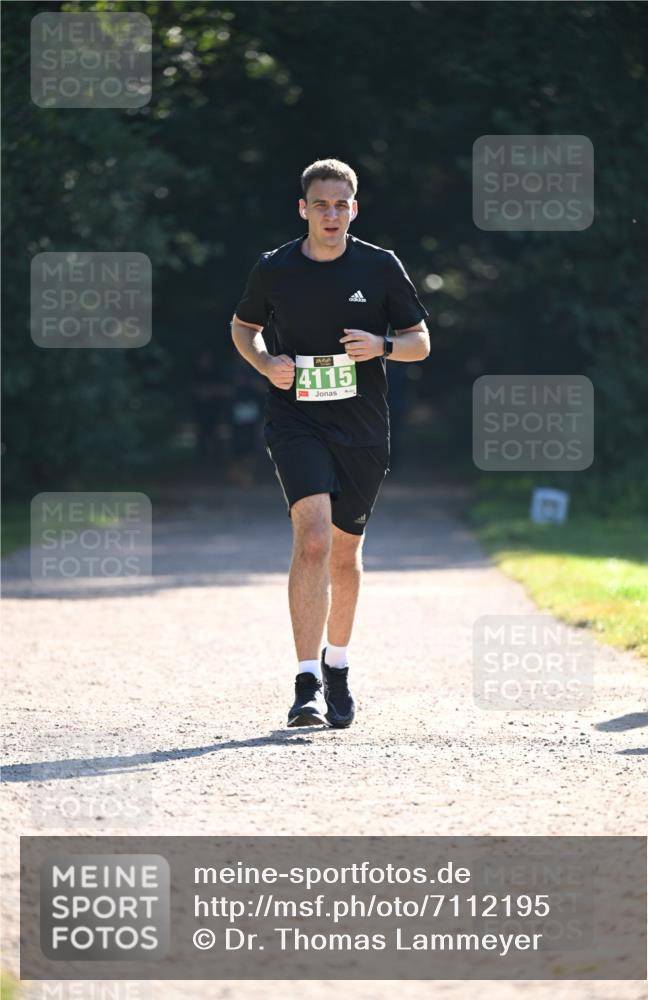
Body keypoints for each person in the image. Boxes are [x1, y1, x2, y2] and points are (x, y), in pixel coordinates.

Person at [230, 158, 430, 728]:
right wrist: (267, 363)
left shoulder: (380, 266)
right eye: (321, 204)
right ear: (303, 209)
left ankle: (336, 664)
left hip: (363, 427)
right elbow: (243, 328)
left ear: (354, 209)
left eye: (341, 204)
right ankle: (305, 683)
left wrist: (383, 345)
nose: (332, 214)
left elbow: (421, 342)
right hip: (296, 420)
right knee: (313, 539)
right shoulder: (275, 269)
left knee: (345, 552)